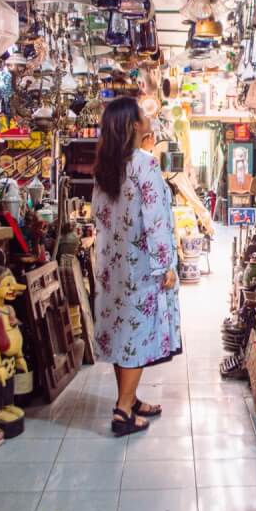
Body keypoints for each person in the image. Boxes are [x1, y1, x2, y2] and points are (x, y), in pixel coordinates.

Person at [91, 97, 182, 437]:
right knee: (138, 334)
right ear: (132, 126)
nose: (148, 118)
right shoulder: (144, 164)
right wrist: (165, 265)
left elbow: (98, 216)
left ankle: (129, 397)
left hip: (113, 265)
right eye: (142, 115)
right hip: (141, 266)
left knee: (122, 334)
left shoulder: (106, 166)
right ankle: (123, 410)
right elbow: (155, 219)